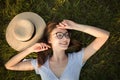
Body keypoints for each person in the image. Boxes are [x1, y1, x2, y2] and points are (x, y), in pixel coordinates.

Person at [5, 19, 110, 80]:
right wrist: (30, 50)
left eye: (66, 35)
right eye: (59, 35)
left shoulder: (78, 59)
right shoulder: (40, 64)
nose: (65, 38)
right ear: (49, 39)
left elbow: (104, 36)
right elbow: (9, 66)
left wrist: (76, 26)